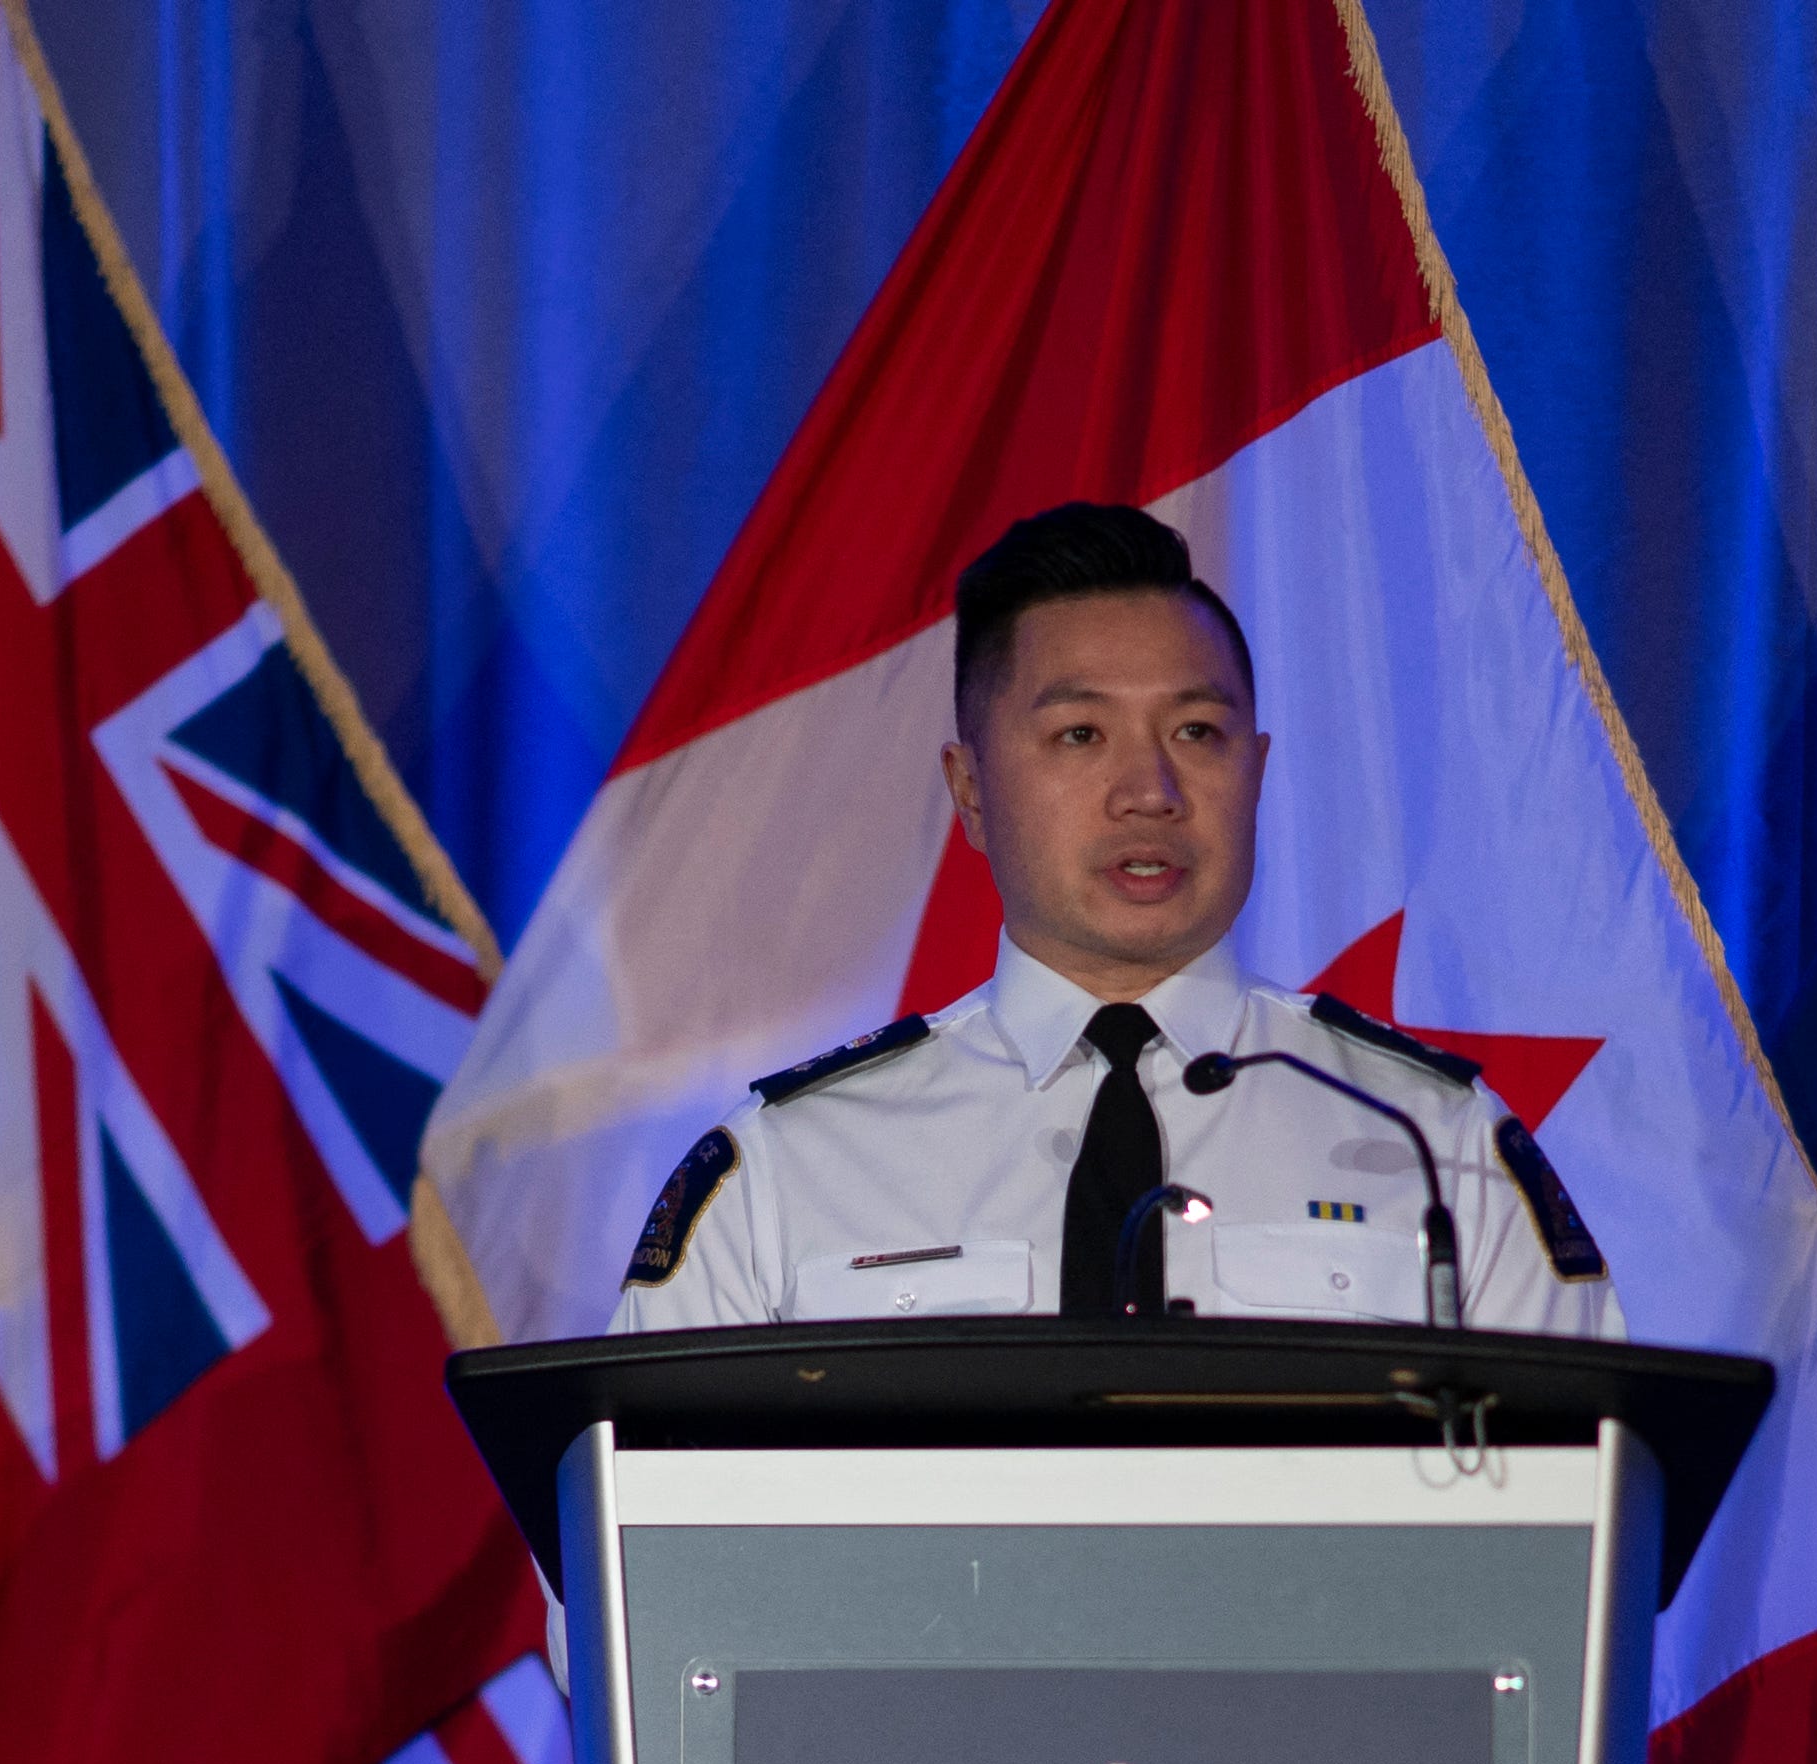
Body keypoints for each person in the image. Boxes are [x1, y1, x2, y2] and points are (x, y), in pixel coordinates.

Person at [608, 502, 1620, 1338]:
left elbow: (1587, 1531)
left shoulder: (1435, 1144)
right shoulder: (791, 1168)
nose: (1149, 789)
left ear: (1255, 773)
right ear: (969, 789)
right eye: (1079, 733)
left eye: (1195, 731)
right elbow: (636, 1548)